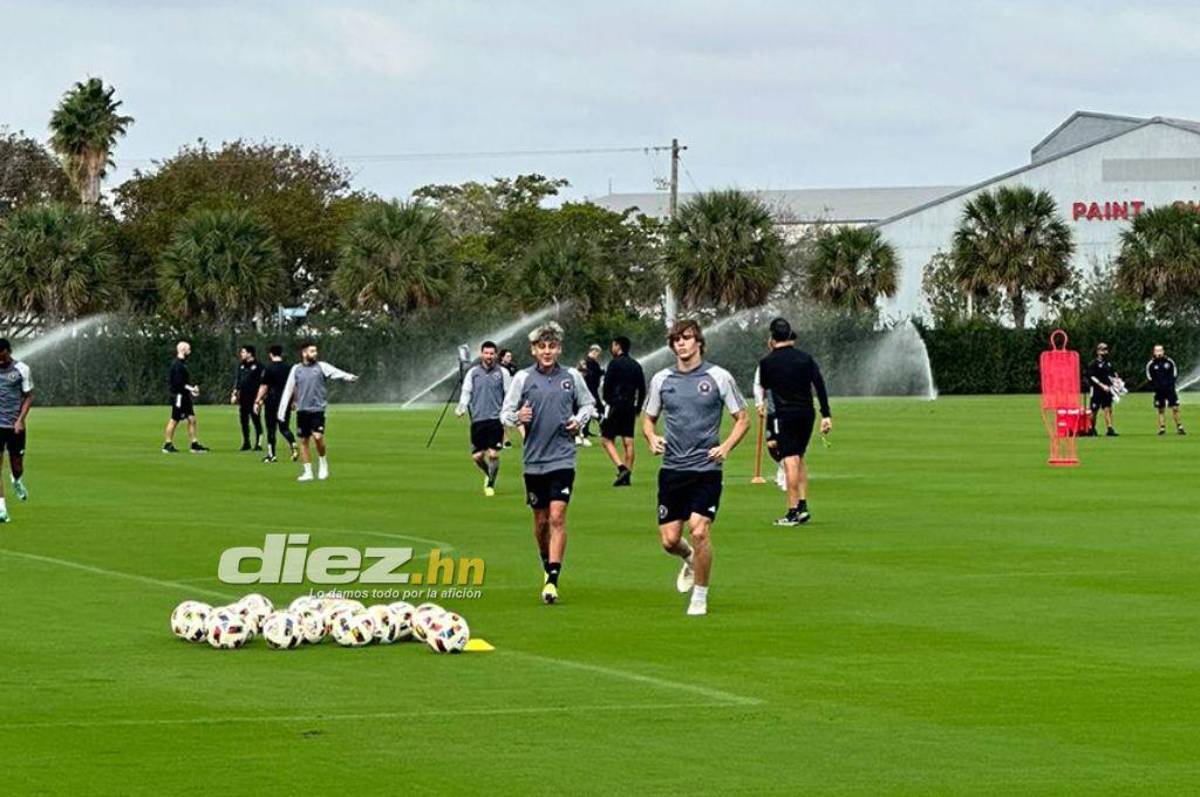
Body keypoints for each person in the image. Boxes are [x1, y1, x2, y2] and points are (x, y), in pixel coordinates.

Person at [642, 320, 750, 616]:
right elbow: (648, 419)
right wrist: (652, 438)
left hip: (706, 470)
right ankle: (688, 558)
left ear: (699, 342)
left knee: (699, 530)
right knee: (670, 540)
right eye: (676, 339)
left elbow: (743, 417)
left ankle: (700, 596)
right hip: (672, 470)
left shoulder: (718, 377)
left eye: (687, 338)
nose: (681, 344)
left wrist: (726, 447)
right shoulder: (661, 379)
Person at [500, 321, 594, 605]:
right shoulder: (522, 379)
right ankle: (546, 561)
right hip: (534, 460)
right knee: (541, 522)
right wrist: (519, 418)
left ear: (559, 348)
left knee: (557, 517)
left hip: (563, 458)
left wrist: (578, 421)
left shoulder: (572, 377)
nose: (547, 351)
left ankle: (552, 580)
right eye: (542, 346)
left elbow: (589, 405)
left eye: (552, 346)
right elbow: (505, 413)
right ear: (533, 350)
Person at [756, 318, 832, 526]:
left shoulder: (767, 362)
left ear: (771, 338)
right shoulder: (805, 359)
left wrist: (771, 430)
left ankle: (792, 511)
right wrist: (826, 414)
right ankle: (803, 504)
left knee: (790, 459)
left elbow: (769, 396)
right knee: (799, 456)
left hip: (784, 415)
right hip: (806, 414)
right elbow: (820, 385)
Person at [278, 341, 358, 482]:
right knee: (304, 440)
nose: (315, 354)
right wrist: (282, 411)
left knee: (318, 437)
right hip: (302, 410)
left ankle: (323, 463)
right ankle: (307, 471)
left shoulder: (322, 366)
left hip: (317, 409)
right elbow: (288, 389)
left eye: (315, 351)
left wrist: (349, 377)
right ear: (304, 353)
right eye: (312, 351)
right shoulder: (296, 369)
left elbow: (335, 372)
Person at [455, 340, 513, 496]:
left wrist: (509, 413)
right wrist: (461, 407)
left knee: (493, 454)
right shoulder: (473, 373)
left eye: (491, 353)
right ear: (481, 354)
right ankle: (489, 474)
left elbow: (509, 395)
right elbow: (466, 392)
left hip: (495, 420)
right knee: (478, 457)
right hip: (478, 420)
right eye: (486, 353)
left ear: (495, 355)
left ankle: (491, 485)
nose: (489, 356)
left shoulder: (503, 373)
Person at [600, 335, 646, 487]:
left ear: (618, 346)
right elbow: (642, 389)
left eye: (613, 345)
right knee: (628, 442)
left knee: (606, 439)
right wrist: (638, 408)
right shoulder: (636, 365)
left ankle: (621, 468)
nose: (612, 348)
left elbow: (607, 386)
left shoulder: (614, 364)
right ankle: (627, 476)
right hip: (630, 406)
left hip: (616, 404)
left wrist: (607, 401)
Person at [0, 339, 33, 523]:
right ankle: (2, 510)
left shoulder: (22, 369)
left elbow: (28, 396)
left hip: (15, 426)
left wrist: (21, 420)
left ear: (8, 352)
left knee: (17, 465)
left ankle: (17, 480)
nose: (0, 360)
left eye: (2, 356)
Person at [254, 344, 298, 462]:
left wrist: (257, 400)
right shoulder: (289, 368)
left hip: (272, 401)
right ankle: (293, 444)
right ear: (281, 354)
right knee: (284, 427)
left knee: (271, 428)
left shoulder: (269, 368)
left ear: (271, 354)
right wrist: (294, 400)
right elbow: (294, 386)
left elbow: (264, 386)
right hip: (286, 400)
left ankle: (271, 455)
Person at [162, 341, 209, 454]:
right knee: (175, 419)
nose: (190, 351)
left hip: (185, 396)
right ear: (183, 350)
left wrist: (191, 390)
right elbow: (179, 383)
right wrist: (192, 389)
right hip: (178, 396)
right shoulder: (177, 365)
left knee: (192, 419)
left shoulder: (183, 364)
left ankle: (194, 444)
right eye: (188, 349)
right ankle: (167, 444)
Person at [230, 345, 264, 451]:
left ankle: (258, 443)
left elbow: (264, 383)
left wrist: (261, 399)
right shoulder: (241, 366)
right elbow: (238, 381)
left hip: (254, 398)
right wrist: (234, 394)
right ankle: (246, 442)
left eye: (243, 352)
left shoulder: (259, 366)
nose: (242, 354)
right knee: (243, 421)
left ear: (250, 353)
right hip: (243, 398)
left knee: (256, 421)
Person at [1146, 344, 1185, 436]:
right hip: (1159, 391)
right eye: (1157, 351)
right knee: (1161, 409)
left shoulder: (1169, 362)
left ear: (1163, 351)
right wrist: (1156, 386)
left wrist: (1170, 385)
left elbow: (1174, 374)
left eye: (1160, 351)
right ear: (1154, 352)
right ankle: (1162, 428)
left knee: (1175, 408)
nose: (1159, 353)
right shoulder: (1151, 364)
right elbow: (1149, 377)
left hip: (1170, 390)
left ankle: (1179, 426)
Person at [1086, 342, 1119, 437]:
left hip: (1107, 390)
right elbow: (1091, 377)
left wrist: (1116, 381)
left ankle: (1110, 428)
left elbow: (1113, 374)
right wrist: (1101, 385)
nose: (1105, 352)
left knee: (1108, 408)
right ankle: (1091, 428)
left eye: (1106, 350)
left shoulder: (1108, 363)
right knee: (1094, 410)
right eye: (1102, 350)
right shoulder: (1093, 364)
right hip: (1096, 390)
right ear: (1098, 351)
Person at [579, 344, 605, 446]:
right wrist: (600, 372)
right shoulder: (587, 362)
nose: (598, 355)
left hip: (592, 391)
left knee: (598, 410)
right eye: (597, 352)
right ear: (593, 351)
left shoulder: (592, 362)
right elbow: (588, 375)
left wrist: (601, 372)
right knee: (590, 412)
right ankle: (584, 435)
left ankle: (600, 431)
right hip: (589, 391)